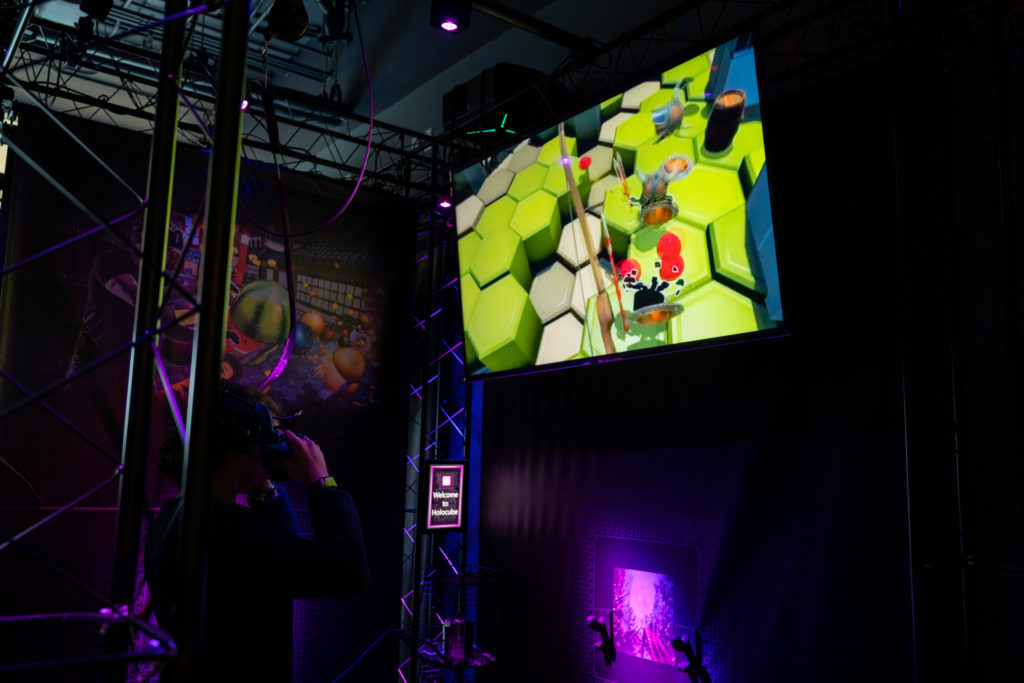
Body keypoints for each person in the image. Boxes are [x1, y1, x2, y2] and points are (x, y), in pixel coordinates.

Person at [144, 384, 370, 681]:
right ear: (245, 440)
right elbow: (347, 572)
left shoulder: (174, 519)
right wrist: (321, 481)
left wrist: (266, 490)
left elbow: (283, 555)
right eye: (270, 436)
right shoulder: (232, 530)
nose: (273, 448)